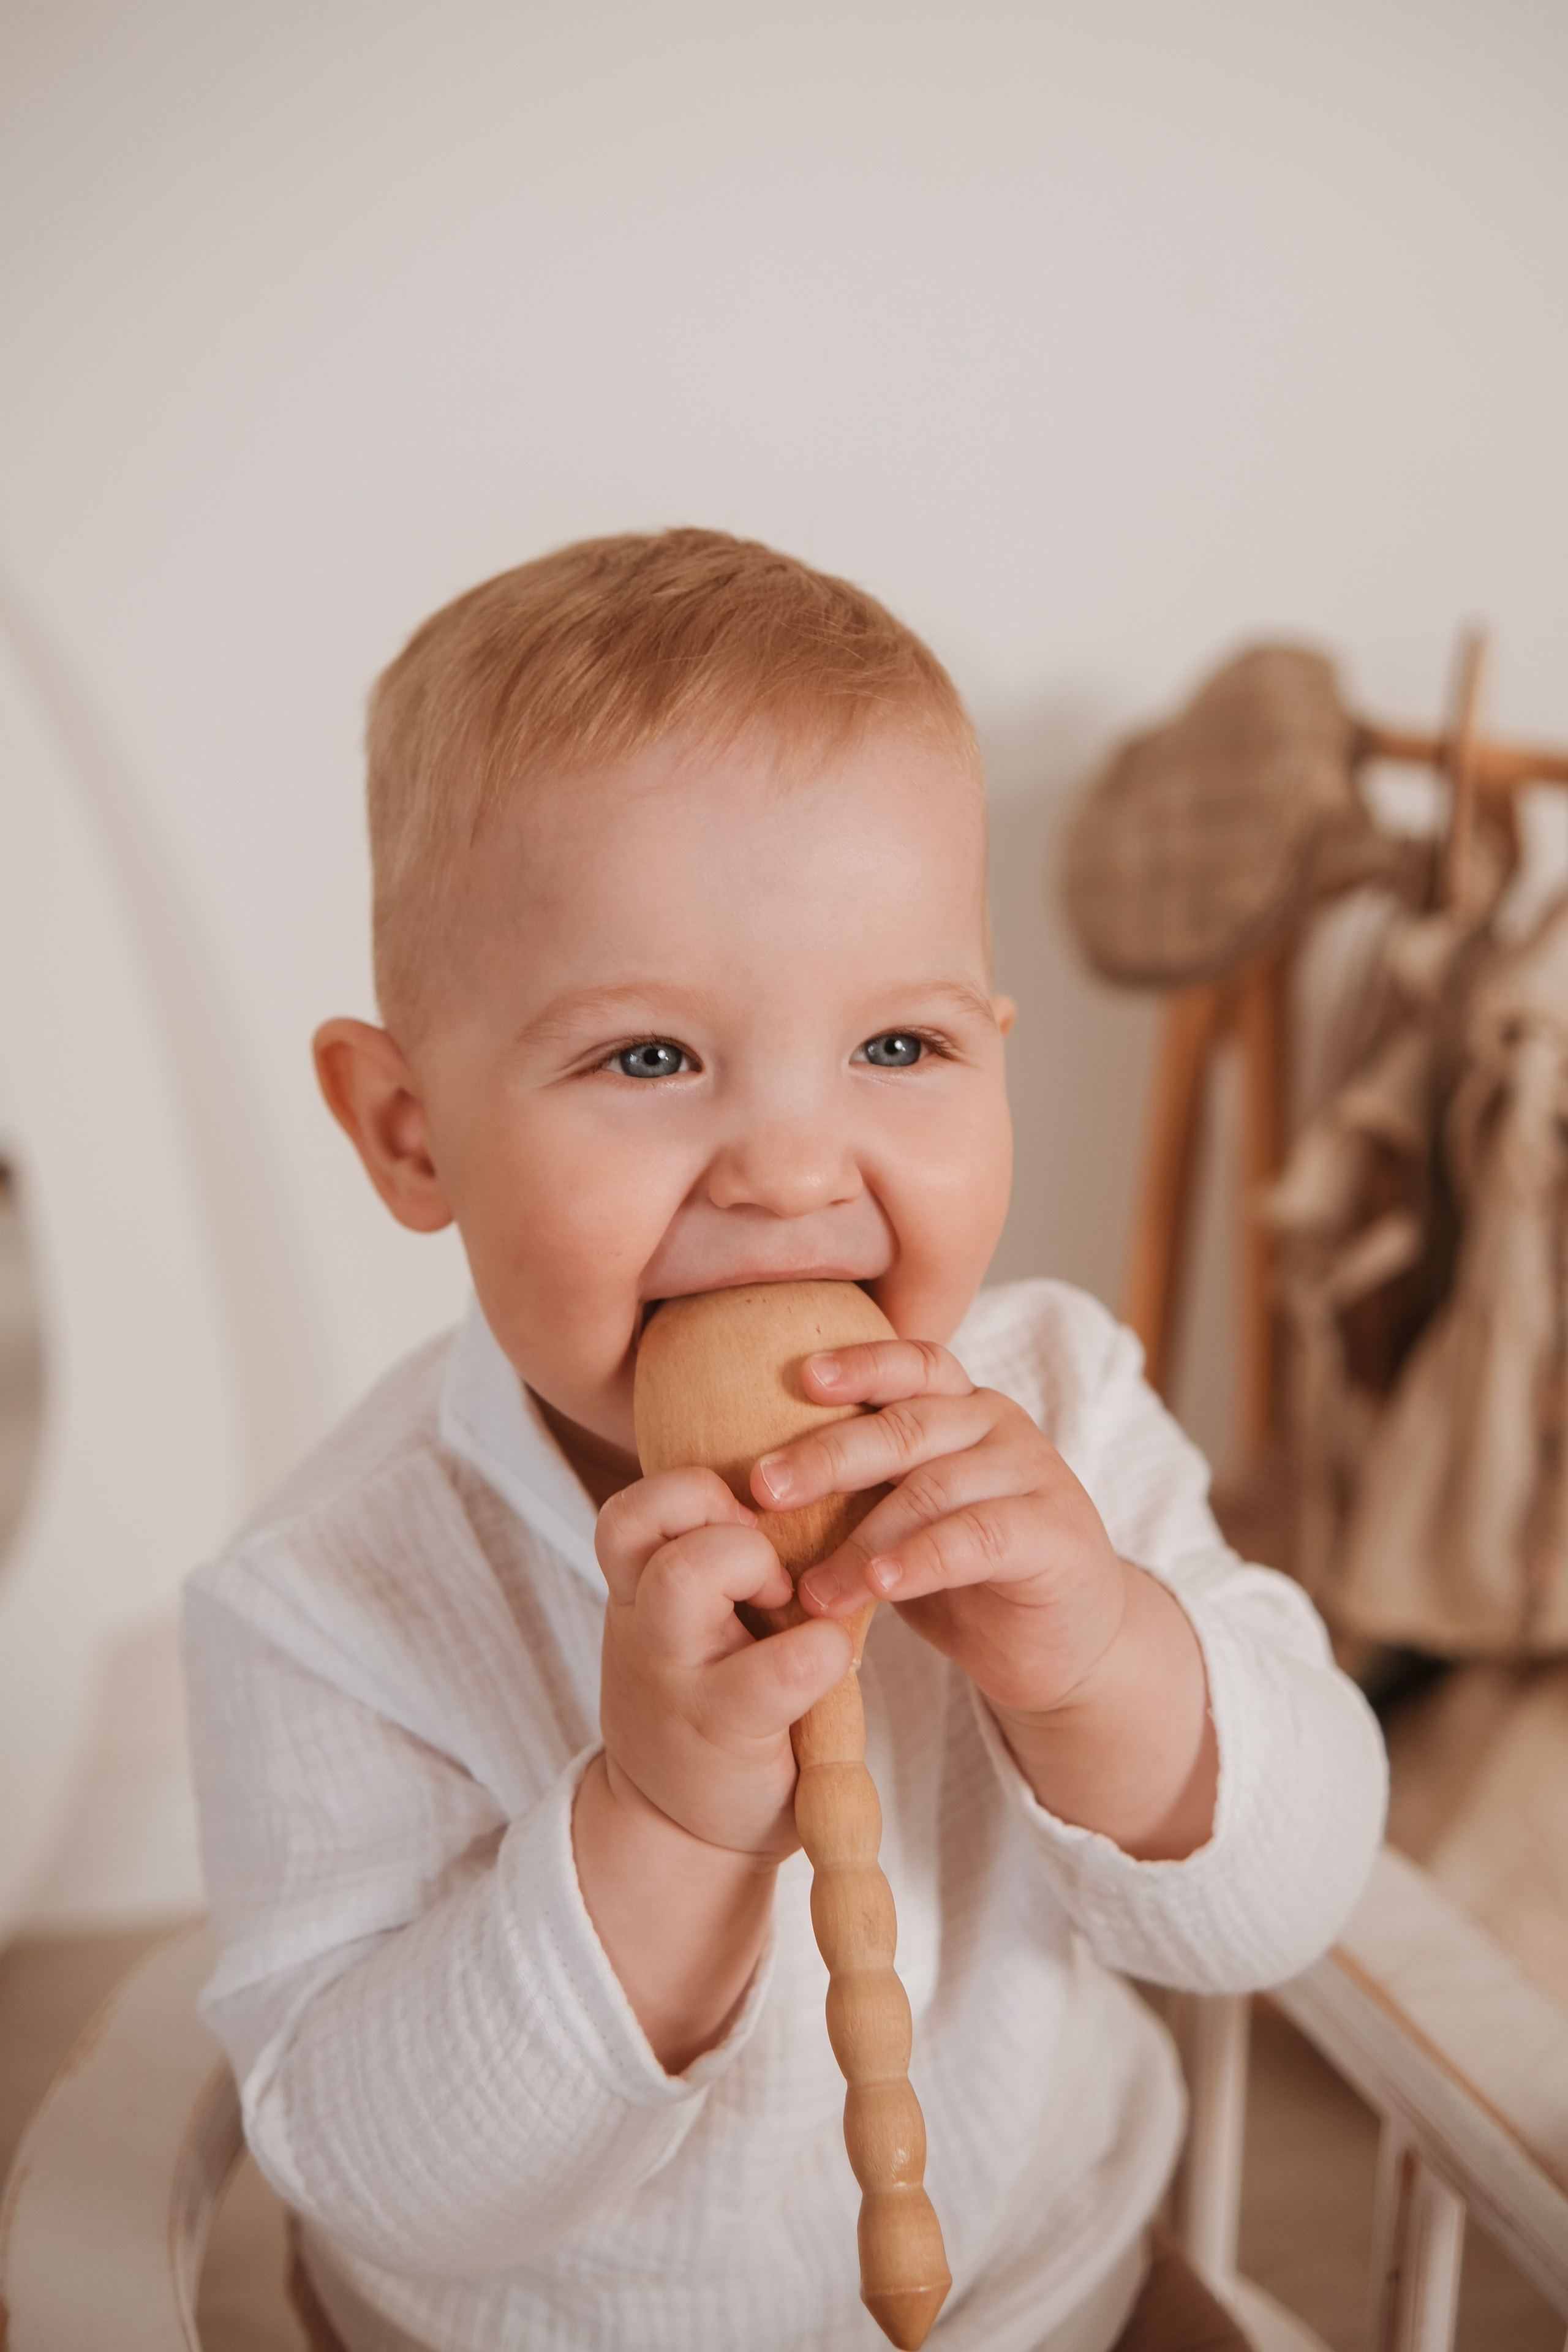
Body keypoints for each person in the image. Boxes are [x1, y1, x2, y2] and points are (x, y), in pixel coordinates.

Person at [183, 529, 1386, 2352]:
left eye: (897, 1048)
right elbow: (382, 2168)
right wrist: (663, 1818)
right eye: (652, 1060)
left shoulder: (1057, 1408)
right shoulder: (330, 1597)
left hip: (1053, 2291)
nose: (796, 1169)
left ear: (994, 1048)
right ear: (412, 1132)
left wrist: (1102, 1661)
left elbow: (1289, 1902)